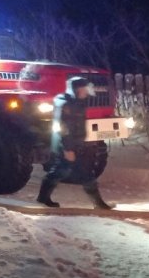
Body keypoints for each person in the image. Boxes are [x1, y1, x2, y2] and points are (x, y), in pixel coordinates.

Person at [37, 77, 113, 209]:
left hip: (75, 144)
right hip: (67, 145)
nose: (86, 91)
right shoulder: (66, 105)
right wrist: (68, 149)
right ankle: (99, 203)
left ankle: (42, 198)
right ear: (76, 90)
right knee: (81, 174)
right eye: (84, 88)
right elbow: (64, 128)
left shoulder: (77, 102)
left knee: (62, 171)